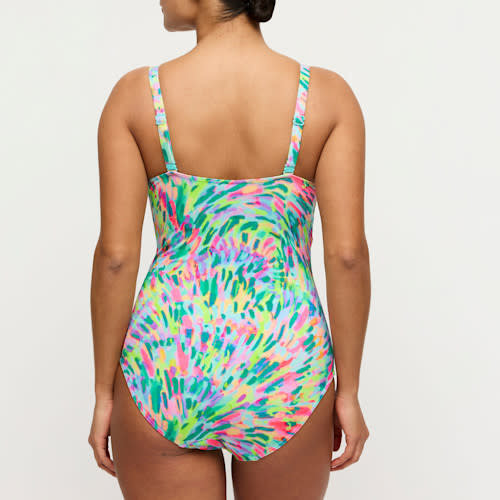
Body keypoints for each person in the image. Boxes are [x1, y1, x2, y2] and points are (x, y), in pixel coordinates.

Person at [88, 0, 371, 498]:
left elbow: (116, 257)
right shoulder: (328, 98)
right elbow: (347, 256)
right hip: (285, 365)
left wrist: (103, 393)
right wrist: (347, 391)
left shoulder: (136, 97)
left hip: (167, 361)